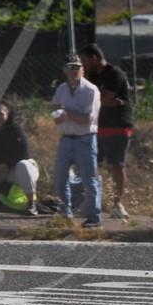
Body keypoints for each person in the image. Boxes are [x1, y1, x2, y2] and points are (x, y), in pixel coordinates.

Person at [80, 44, 134, 220]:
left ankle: (117, 204)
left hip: (117, 126)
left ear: (94, 57)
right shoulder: (91, 76)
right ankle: (92, 201)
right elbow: (83, 97)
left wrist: (104, 101)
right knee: (90, 164)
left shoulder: (114, 74)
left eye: (85, 60)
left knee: (116, 165)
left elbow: (101, 99)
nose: (83, 64)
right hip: (97, 126)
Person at [52, 54, 102, 228]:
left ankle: (94, 217)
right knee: (60, 177)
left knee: (89, 179)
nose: (74, 70)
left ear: (83, 69)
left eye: (77, 67)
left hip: (85, 140)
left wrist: (66, 114)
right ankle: (65, 213)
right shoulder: (61, 89)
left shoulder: (91, 90)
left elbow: (87, 120)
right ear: (64, 70)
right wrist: (59, 114)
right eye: (70, 67)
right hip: (66, 139)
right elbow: (55, 112)